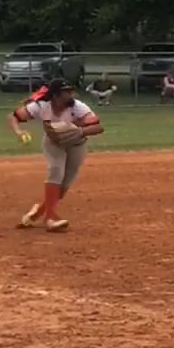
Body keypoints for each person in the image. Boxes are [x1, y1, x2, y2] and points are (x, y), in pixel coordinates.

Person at [9, 79, 103, 233]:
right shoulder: (41, 106)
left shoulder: (77, 107)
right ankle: (50, 218)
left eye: (71, 91)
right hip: (53, 143)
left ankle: (37, 212)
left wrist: (80, 131)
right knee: (56, 171)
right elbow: (14, 117)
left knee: (63, 186)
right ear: (55, 95)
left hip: (76, 145)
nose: (71, 94)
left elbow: (98, 126)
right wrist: (19, 132)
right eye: (66, 92)